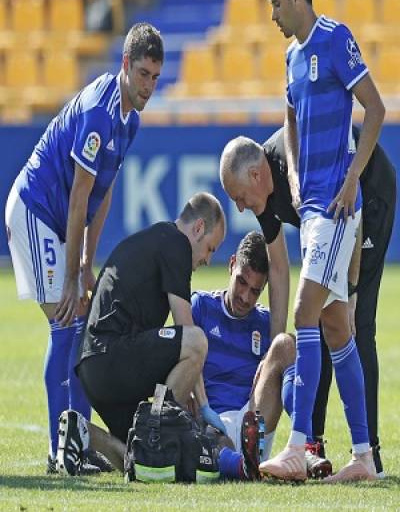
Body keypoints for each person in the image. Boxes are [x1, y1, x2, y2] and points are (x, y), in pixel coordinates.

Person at [222, 0, 386, 482]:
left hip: (337, 209)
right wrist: (292, 172)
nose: (271, 14)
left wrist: (353, 177)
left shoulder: (337, 39)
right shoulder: (291, 58)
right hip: (312, 206)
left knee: (303, 312)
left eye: (275, 2)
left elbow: (376, 109)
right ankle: (364, 458)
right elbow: (289, 115)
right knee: (338, 330)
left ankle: (297, 445)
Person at [5, 22, 164, 473]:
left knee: (77, 331)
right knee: (69, 324)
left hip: (57, 222)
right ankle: (62, 452)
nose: (149, 85)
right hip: (35, 211)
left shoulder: (129, 118)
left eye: (155, 76)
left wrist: (87, 263)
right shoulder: (100, 112)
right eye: (143, 74)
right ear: (125, 65)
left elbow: (103, 191)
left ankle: (73, 444)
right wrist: (74, 273)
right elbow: (78, 197)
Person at [220, 127, 395, 478]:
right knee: (314, 321)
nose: (239, 207)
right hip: (333, 221)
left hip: (367, 198)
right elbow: (279, 269)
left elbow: (351, 205)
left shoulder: (299, 161)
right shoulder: (262, 193)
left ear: (256, 175)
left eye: (238, 196)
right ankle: (311, 448)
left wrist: (351, 288)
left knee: (353, 326)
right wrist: (275, 347)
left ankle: (368, 453)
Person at [55, 192, 226, 475]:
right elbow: (187, 330)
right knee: (197, 340)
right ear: (198, 229)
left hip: (93, 367)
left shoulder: (153, 239)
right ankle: (157, 435)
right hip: (112, 356)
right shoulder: (176, 243)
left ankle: (82, 431)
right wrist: (204, 406)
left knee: (137, 459)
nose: (208, 259)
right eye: (210, 248)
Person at [191, 230, 332, 481]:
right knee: (211, 436)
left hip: (253, 419)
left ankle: (307, 446)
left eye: (255, 291)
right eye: (241, 282)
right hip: (211, 422)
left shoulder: (265, 322)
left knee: (285, 343)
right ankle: (243, 466)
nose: (245, 297)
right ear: (232, 264)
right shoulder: (201, 306)